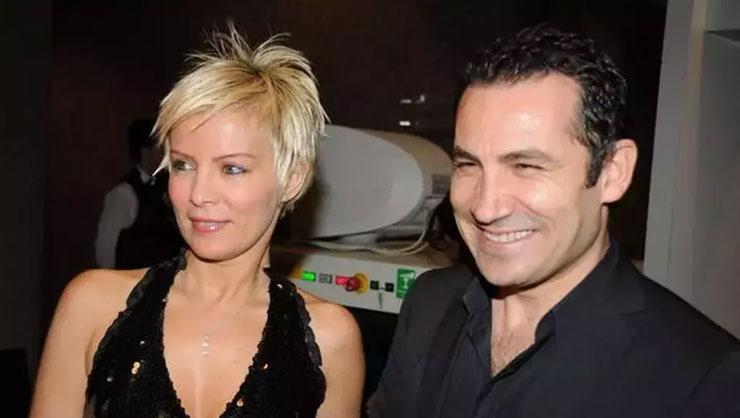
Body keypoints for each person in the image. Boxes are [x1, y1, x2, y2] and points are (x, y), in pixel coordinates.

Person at [369, 25, 740, 418]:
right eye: (468, 165)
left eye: (526, 166)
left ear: (612, 172)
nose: (486, 207)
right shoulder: (429, 305)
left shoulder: (704, 379)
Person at [31, 26, 364, 418]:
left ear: (292, 178)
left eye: (232, 168)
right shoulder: (92, 304)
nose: (199, 194)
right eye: (183, 165)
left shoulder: (330, 338)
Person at [94, 118, 183, 269]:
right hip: (134, 278)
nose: (165, 155)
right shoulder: (124, 193)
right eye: (160, 148)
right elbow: (106, 247)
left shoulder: (168, 186)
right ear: (145, 152)